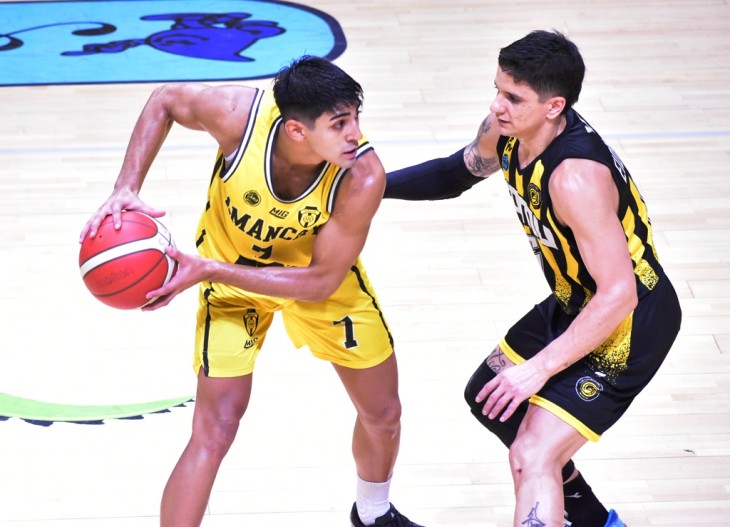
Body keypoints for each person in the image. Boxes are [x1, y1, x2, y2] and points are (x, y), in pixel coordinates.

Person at [80, 56, 423, 527]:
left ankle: (372, 512)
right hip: (229, 287)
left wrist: (208, 269)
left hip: (315, 282)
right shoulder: (236, 117)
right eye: (340, 124)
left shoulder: (363, 176)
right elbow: (165, 100)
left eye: (356, 119)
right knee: (216, 427)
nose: (356, 135)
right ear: (297, 130)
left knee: (383, 412)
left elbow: (321, 281)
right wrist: (126, 187)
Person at [384, 30, 681, 527]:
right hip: (576, 300)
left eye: (513, 98)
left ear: (554, 106)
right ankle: (595, 521)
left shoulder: (575, 178)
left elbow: (619, 293)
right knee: (491, 397)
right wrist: (372, 188)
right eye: (498, 90)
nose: (497, 106)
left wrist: (538, 369)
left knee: (531, 455)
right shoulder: (507, 131)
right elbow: (457, 172)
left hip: (629, 322)